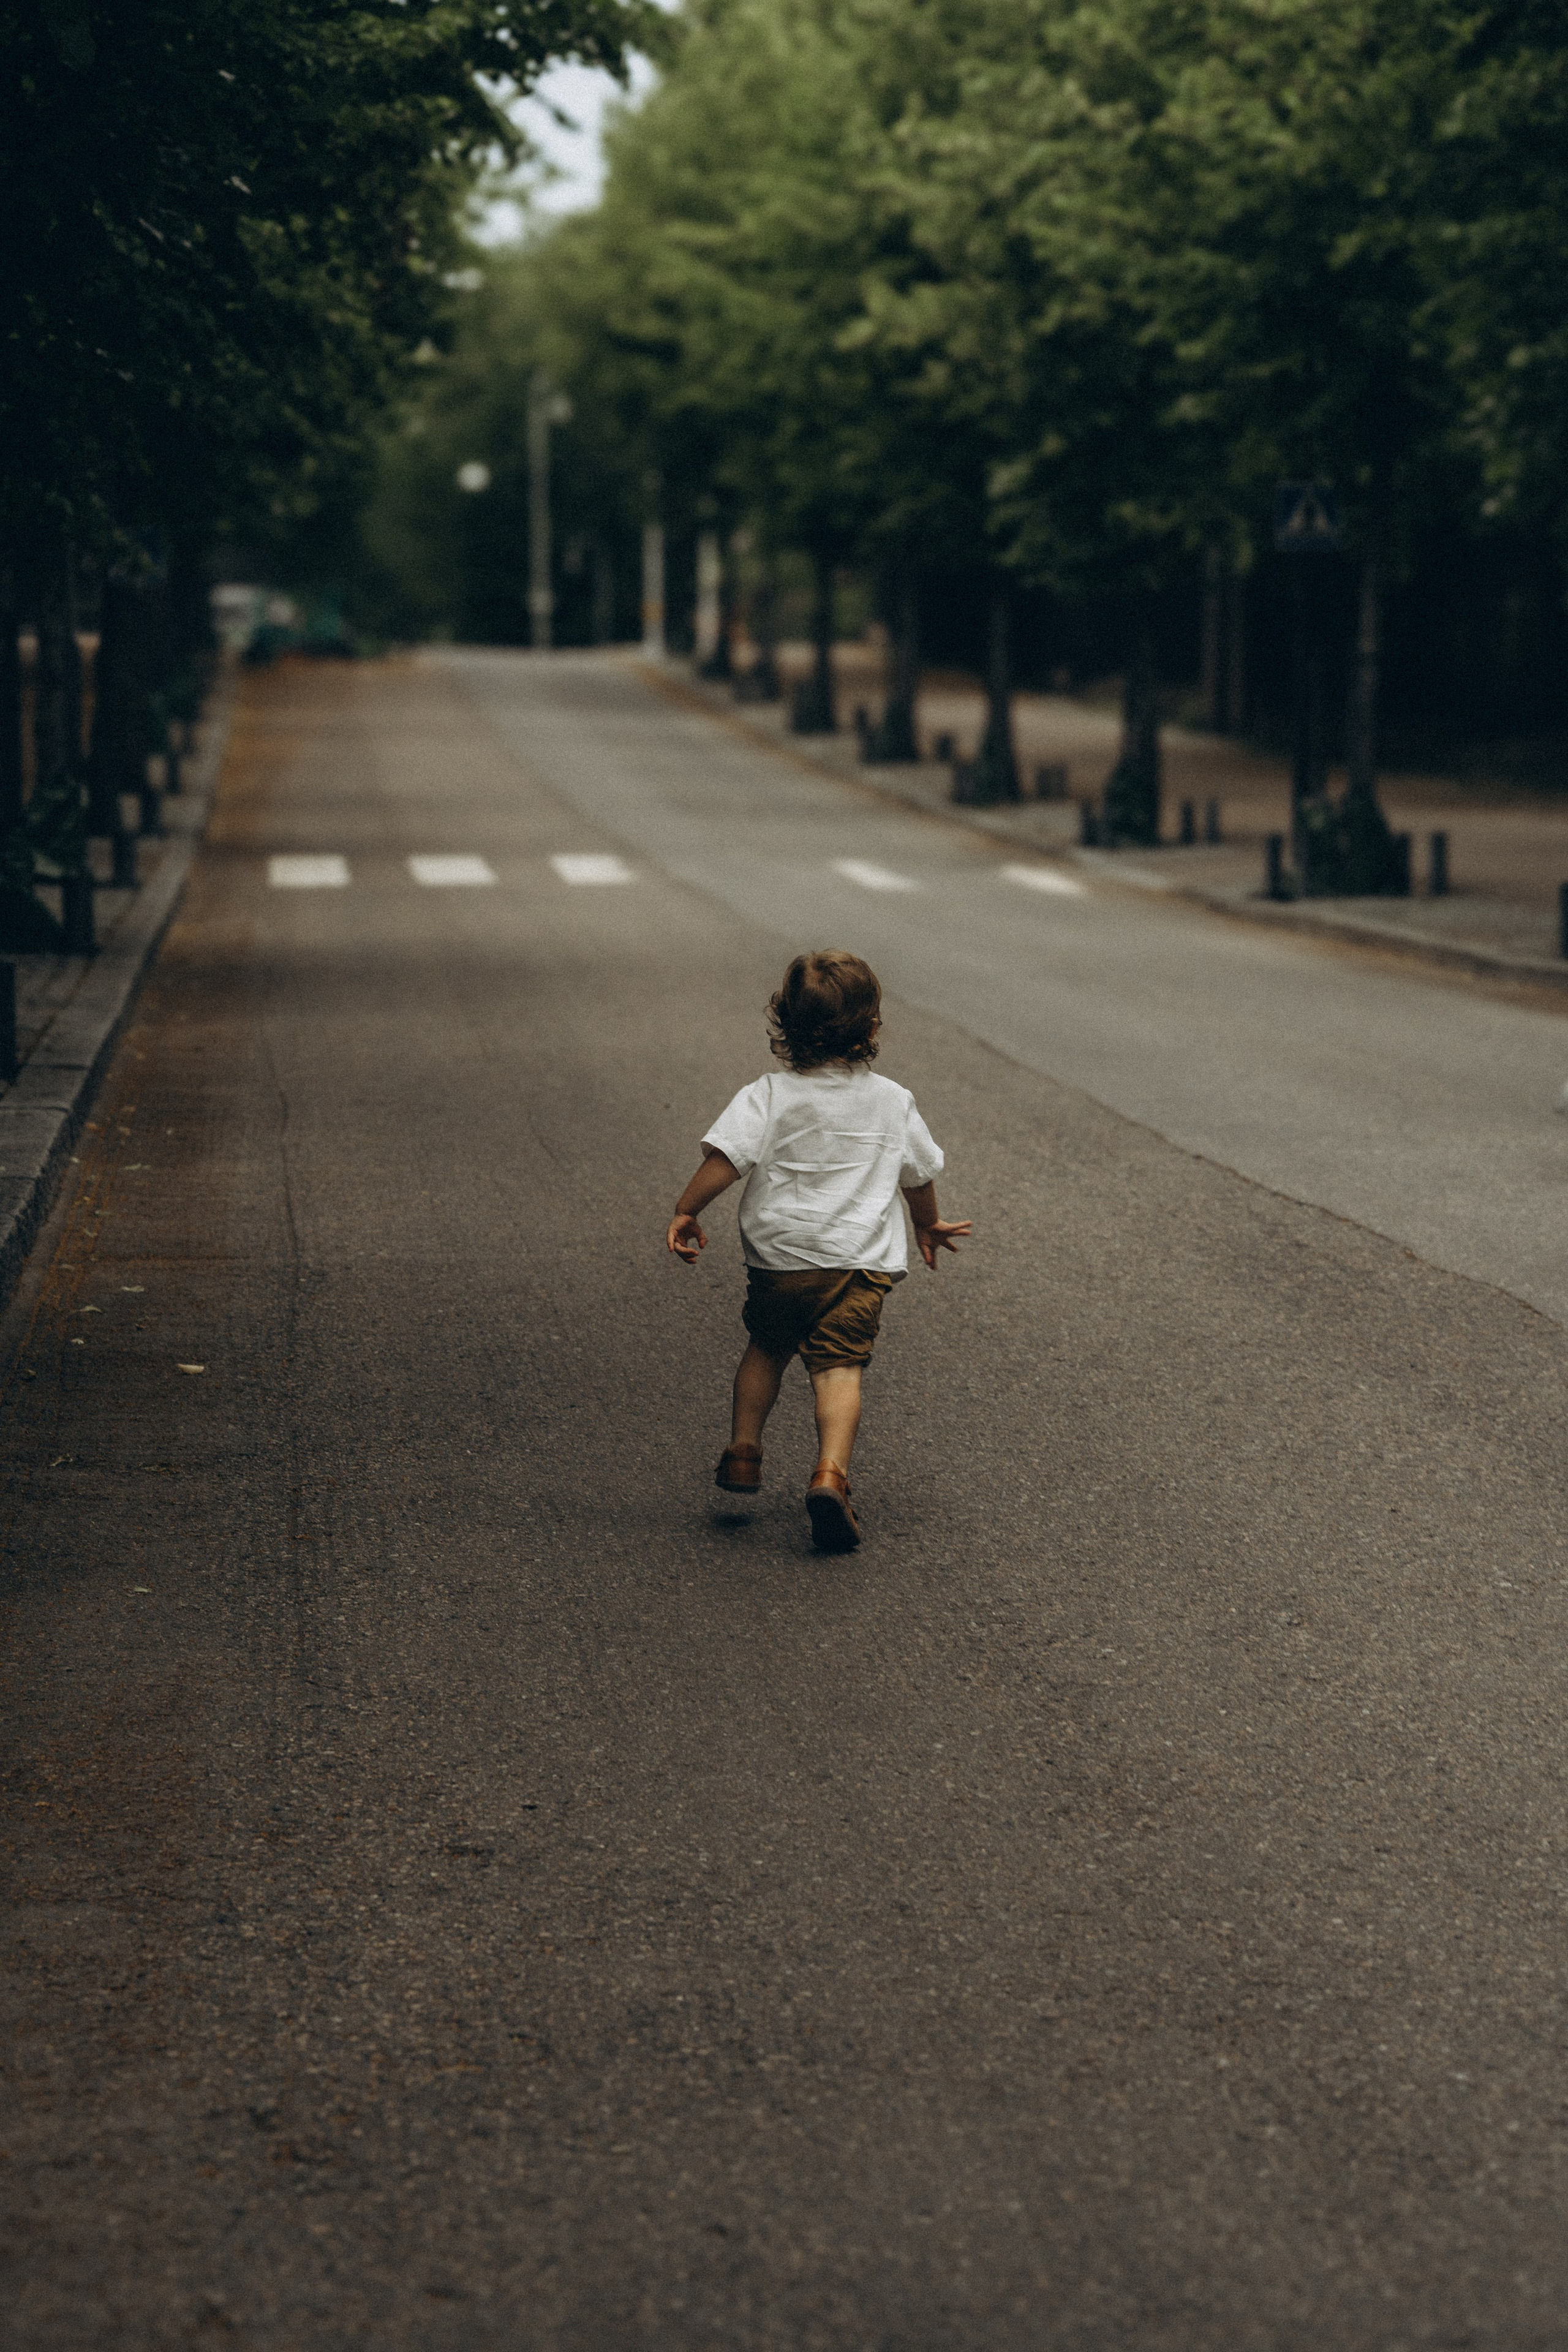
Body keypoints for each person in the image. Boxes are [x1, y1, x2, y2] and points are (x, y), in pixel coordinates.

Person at [666, 949, 971, 1553]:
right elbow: (917, 1175)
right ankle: (830, 1474)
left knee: (767, 1349)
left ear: (783, 1023)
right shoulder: (891, 1100)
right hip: (857, 1266)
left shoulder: (768, 1096)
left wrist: (687, 1210)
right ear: (873, 1028)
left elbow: (725, 1161)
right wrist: (928, 1225)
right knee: (838, 1370)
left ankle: (744, 1453)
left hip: (780, 1262)